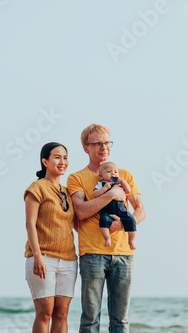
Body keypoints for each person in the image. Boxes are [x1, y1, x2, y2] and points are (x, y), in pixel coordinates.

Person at [67, 124, 146, 333]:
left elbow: (141, 210)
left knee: (121, 321)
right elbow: (81, 212)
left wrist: (123, 224)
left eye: (107, 143)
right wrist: (110, 194)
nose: (104, 147)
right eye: (98, 144)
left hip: (124, 254)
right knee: (90, 319)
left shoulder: (124, 175)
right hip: (92, 253)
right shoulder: (76, 178)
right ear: (86, 148)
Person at [24, 142, 78, 333]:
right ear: (45, 161)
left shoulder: (67, 192)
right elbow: (30, 224)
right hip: (43, 258)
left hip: (69, 260)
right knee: (45, 312)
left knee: (62, 313)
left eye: (65, 157)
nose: (62, 161)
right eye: (57, 157)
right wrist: (37, 256)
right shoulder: (37, 188)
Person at [93, 162, 137, 250]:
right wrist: (105, 188)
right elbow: (95, 194)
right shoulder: (101, 184)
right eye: (109, 172)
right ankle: (107, 238)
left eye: (115, 172)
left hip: (122, 210)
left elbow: (128, 191)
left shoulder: (119, 183)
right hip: (107, 211)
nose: (113, 173)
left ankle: (131, 240)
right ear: (101, 176)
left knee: (131, 220)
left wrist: (122, 181)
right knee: (103, 220)